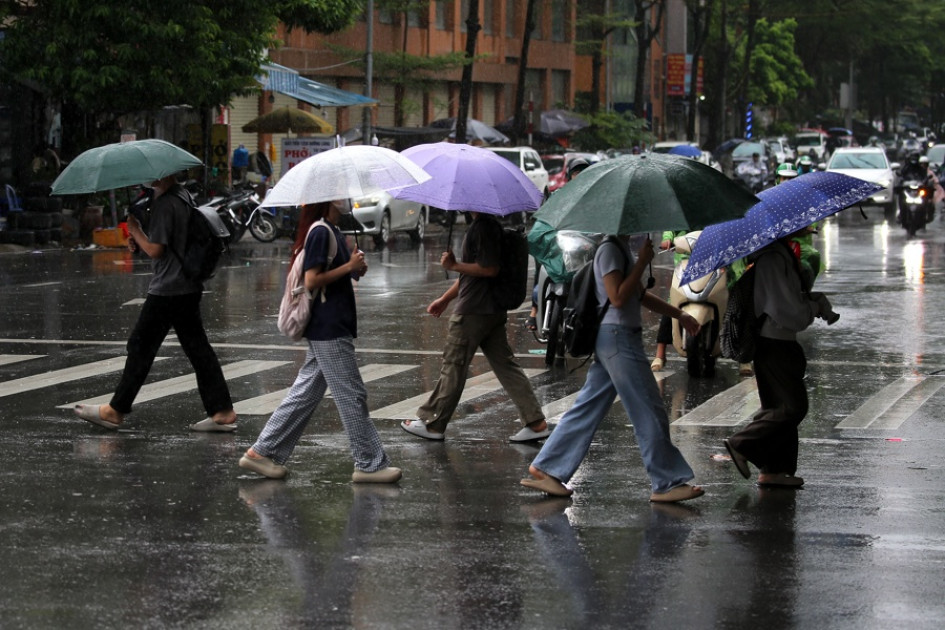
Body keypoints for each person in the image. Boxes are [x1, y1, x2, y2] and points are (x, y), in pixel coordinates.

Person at [520, 235, 706, 503]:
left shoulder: (619, 249)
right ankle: (667, 482)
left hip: (615, 339)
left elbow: (639, 295)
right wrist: (642, 263)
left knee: (588, 406)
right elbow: (617, 297)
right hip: (618, 339)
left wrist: (680, 315)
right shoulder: (610, 250)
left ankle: (547, 468)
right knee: (648, 408)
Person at [239, 200, 401, 483]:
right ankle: (369, 464)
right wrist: (348, 266)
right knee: (352, 395)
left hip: (331, 325)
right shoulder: (320, 232)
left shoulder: (333, 230)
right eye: (341, 194)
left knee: (306, 393)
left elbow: (335, 275)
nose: (346, 199)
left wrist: (355, 268)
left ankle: (262, 452)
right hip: (328, 327)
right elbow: (312, 280)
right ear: (329, 199)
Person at [74, 174, 237, 432]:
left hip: (168, 289)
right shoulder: (182, 195)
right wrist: (139, 239)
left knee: (141, 346)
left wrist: (135, 230)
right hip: (186, 284)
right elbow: (170, 241)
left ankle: (115, 410)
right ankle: (222, 410)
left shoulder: (164, 203)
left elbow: (156, 250)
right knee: (197, 349)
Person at [401, 211, 549, 443]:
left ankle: (432, 423)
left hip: (474, 311)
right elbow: (470, 276)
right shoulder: (488, 226)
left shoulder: (482, 228)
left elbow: (489, 269)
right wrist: (445, 298)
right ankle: (535, 422)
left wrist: (454, 264)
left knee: (454, 365)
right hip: (491, 310)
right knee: (506, 366)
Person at [723, 236, 837, 488]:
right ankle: (741, 443)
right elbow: (787, 310)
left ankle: (774, 470)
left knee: (779, 405)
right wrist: (812, 308)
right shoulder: (773, 259)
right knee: (792, 407)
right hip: (775, 343)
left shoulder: (779, 254)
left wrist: (813, 301)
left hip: (780, 341)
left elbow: (788, 298)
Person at [526, 157, 590, 330]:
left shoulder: (593, 199)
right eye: (576, 172)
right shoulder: (559, 196)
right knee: (541, 261)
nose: (580, 175)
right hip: (559, 242)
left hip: (582, 246)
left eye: (583, 172)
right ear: (569, 175)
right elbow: (545, 217)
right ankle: (534, 309)